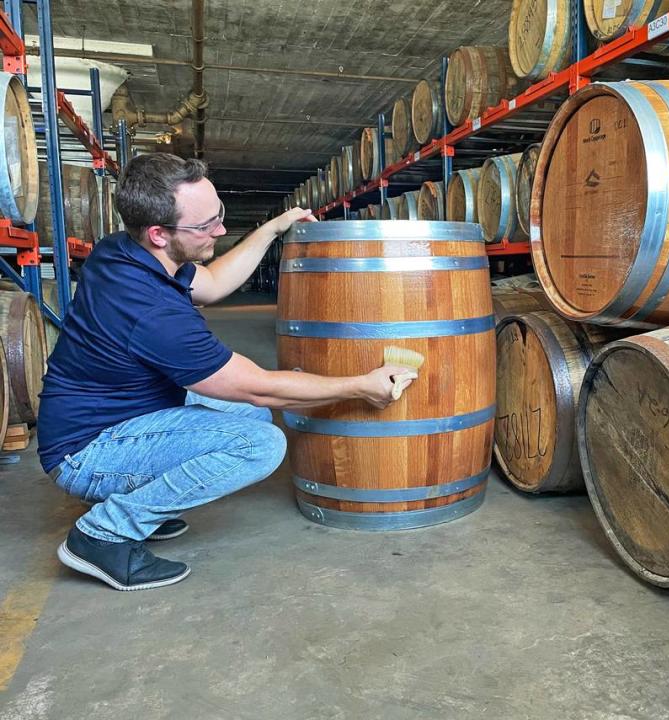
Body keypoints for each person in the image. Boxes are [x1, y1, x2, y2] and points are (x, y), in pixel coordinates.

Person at [38, 152, 414, 592]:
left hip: (112, 416)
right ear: (158, 233)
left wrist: (273, 228)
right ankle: (105, 533)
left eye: (219, 215)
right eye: (205, 226)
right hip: (86, 453)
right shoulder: (155, 314)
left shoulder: (123, 250)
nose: (219, 229)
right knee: (259, 442)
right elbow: (259, 388)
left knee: (246, 417)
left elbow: (213, 283)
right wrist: (360, 386)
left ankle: (139, 503)